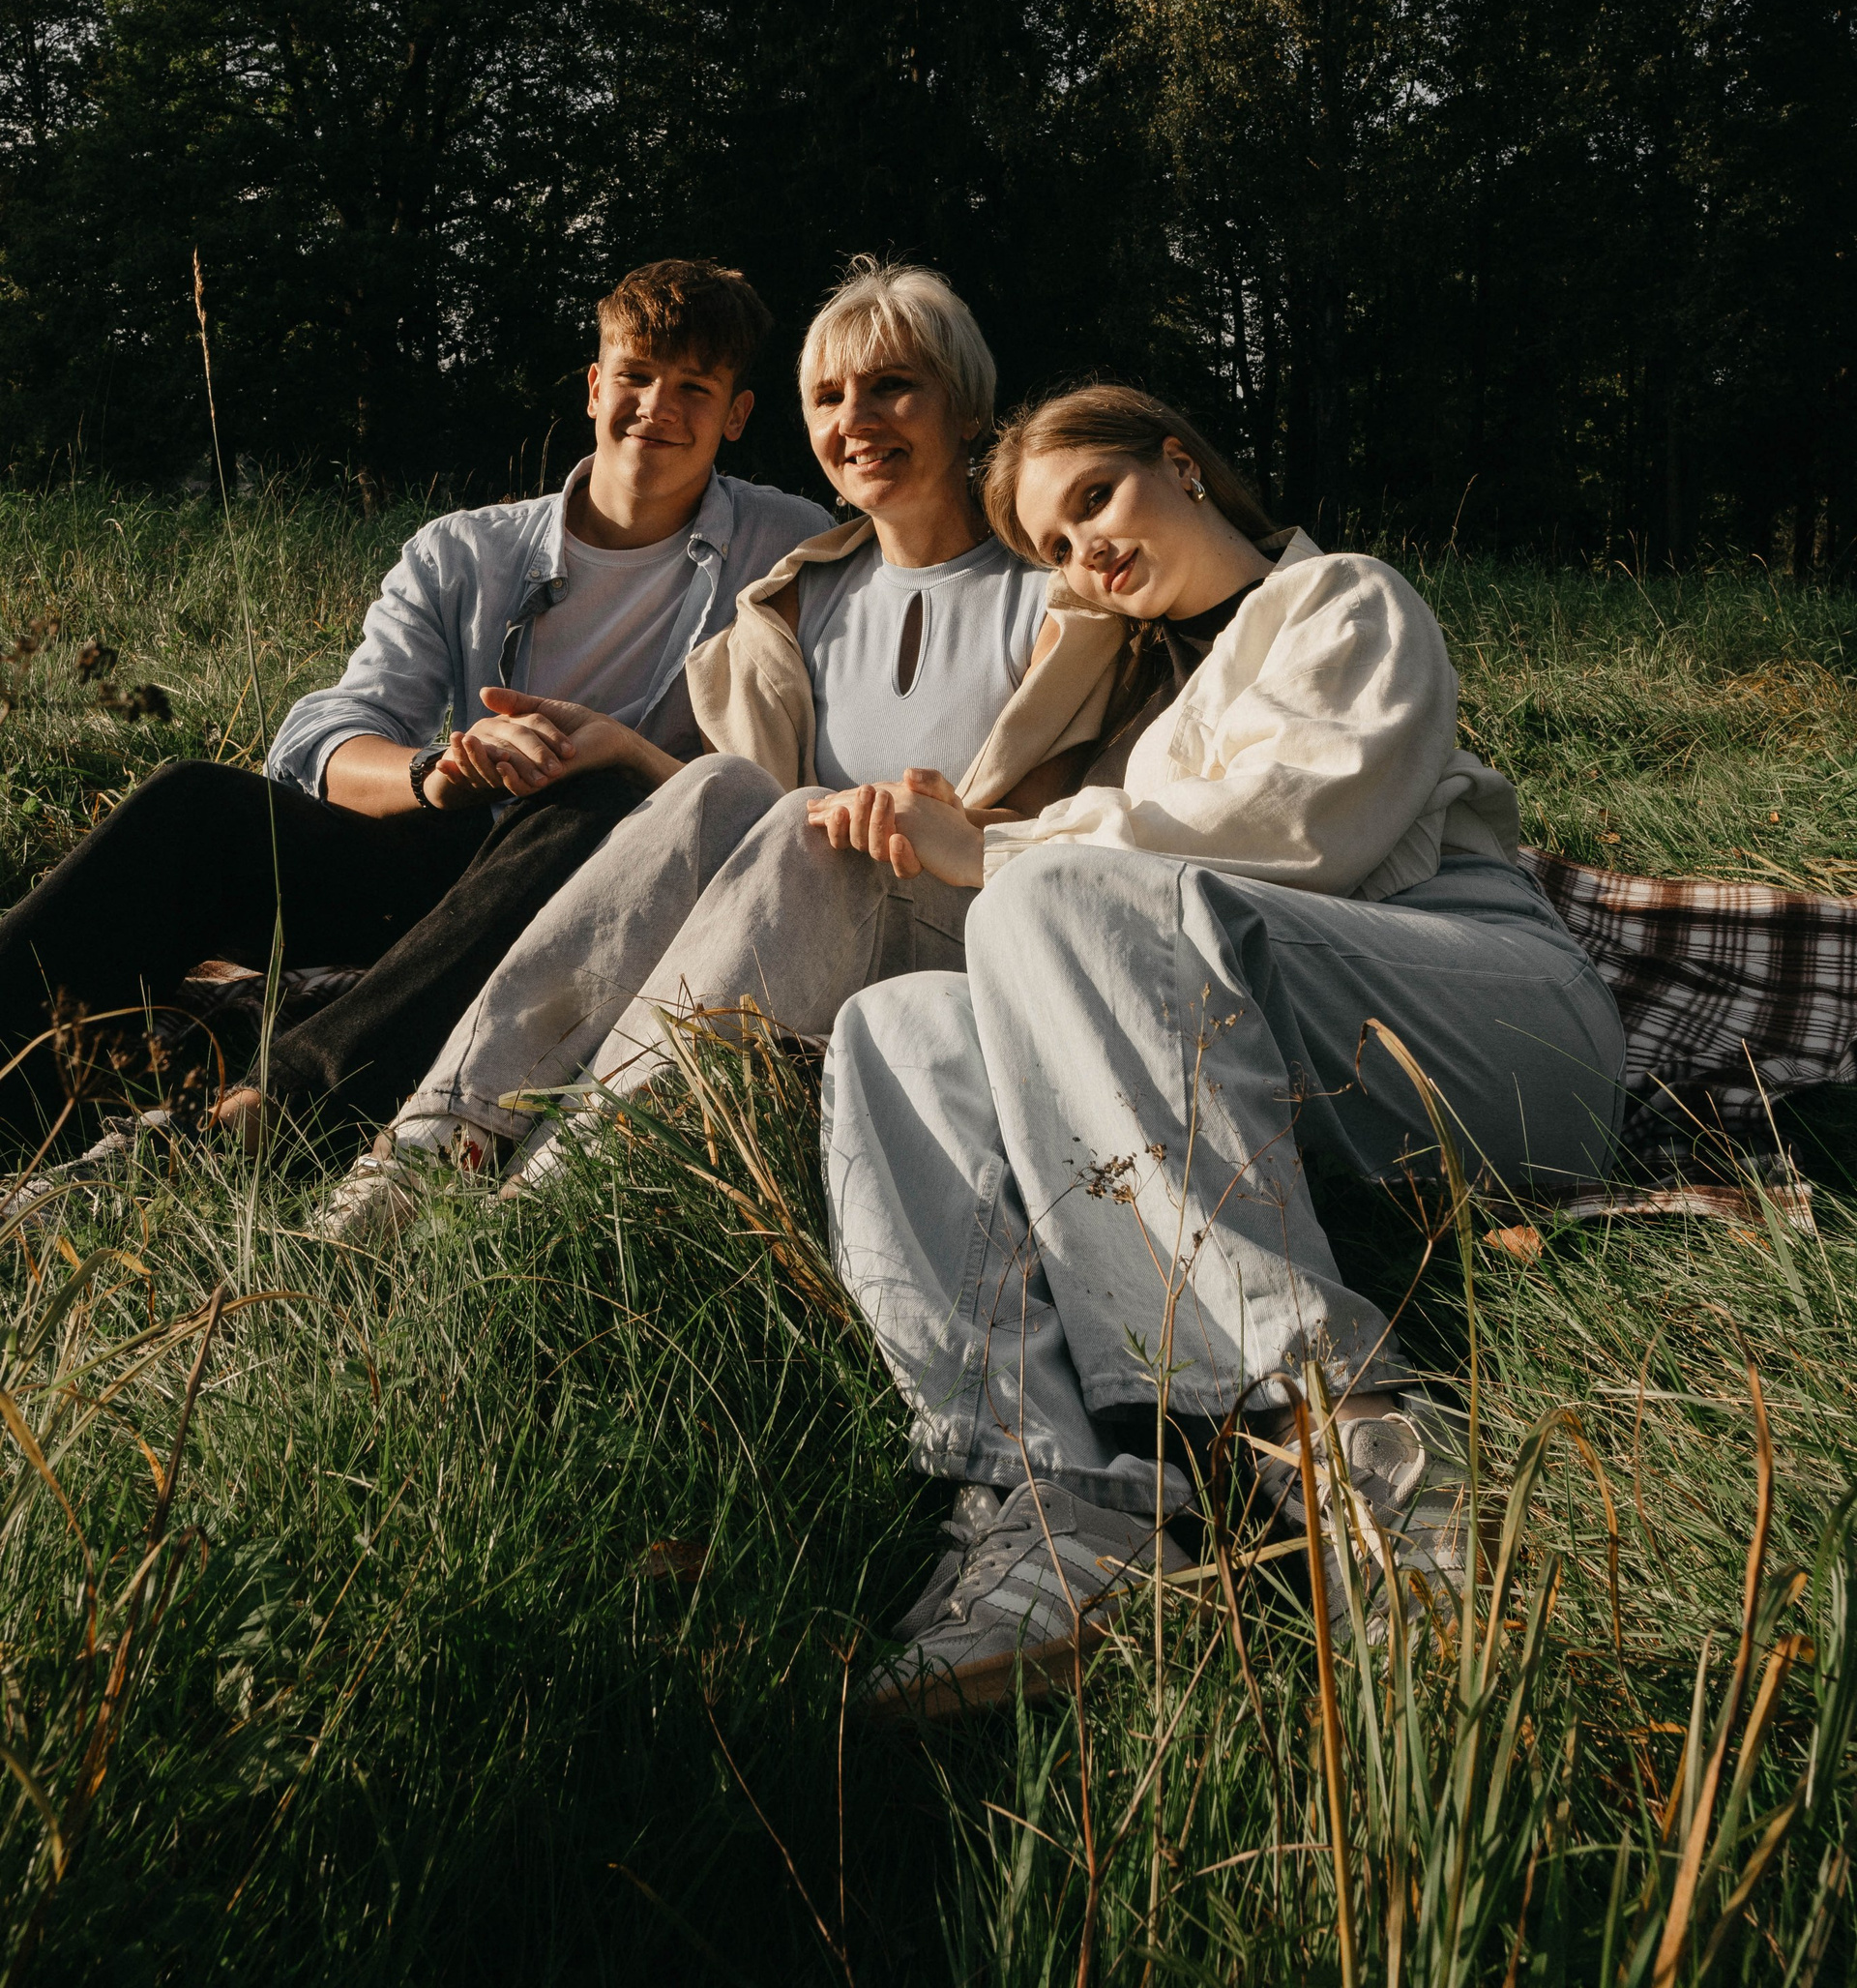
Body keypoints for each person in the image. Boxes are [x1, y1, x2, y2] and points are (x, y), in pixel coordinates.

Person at [810, 384, 1629, 1716]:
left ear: (1182, 463)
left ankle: (1339, 1432)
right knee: (892, 1027)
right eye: (1056, 548)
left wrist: (1005, 845)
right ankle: (1056, 1501)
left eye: (1097, 498)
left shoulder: (1341, 600)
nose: (1088, 551)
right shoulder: (1158, 708)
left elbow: (1305, 830)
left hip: (1498, 1023)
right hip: (1306, 1059)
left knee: (1043, 897)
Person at [323, 260, 1126, 1237]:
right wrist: (625, 750)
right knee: (715, 785)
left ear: (966, 408)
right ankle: (429, 1149)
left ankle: (553, 1202)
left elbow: (1058, 835)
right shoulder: (798, 597)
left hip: (962, 954)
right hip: (792, 950)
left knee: (803, 827)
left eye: (892, 386)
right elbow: (750, 835)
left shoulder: (1058, 598)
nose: (856, 419)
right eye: (828, 397)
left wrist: (928, 823)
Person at [0, 259, 827, 1200]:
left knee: (593, 798)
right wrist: (441, 772)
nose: (656, 409)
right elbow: (329, 734)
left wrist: (619, 757)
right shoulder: (467, 550)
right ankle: (17, 1080)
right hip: (445, 864)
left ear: (737, 414)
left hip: (608, 895)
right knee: (197, 804)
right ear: (595, 386)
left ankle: (270, 1116)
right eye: (635, 377)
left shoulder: (789, 544)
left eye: (694, 390)